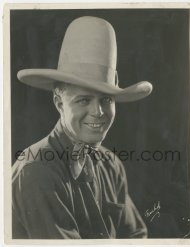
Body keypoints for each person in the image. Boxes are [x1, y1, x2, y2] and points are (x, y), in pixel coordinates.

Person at [12, 16, 153, 239]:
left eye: (106, 100)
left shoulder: (111, 166)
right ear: (59, 103)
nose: (98, 112)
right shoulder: (37, 171)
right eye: (83, 100)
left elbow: (136, 237)